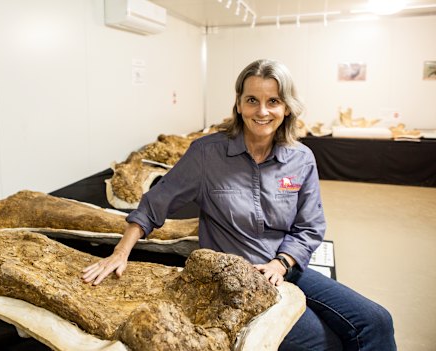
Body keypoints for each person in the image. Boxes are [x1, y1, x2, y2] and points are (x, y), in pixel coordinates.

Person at [82, 59, 396, 350]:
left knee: (376, 321)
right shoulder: (207, 154)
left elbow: (309, 227)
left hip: (284, 269)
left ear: (286, 107)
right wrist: (119, 253)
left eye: (273, 101)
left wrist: (282, 262)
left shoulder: (301, 159)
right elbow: (154, 204)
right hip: (233, 282)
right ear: (239, 104)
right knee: (325, 342)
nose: (262, 111)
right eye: (252, 100)